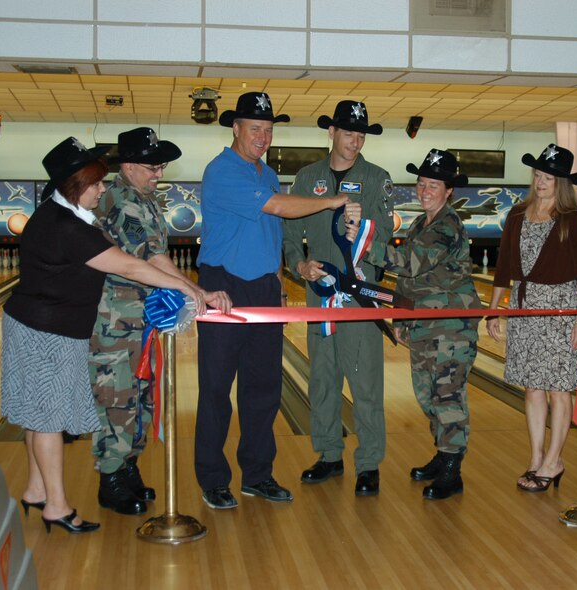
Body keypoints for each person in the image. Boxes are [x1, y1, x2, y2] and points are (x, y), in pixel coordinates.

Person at [2, 137, 228, 534]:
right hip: (57, 328)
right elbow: (135, 265)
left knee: (42, 415)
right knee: (64, 413)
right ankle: (67, 501)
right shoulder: (74, 224)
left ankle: (40, 490)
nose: (101, 190)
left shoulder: (59, 216)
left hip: (44, 324)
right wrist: (193, 291)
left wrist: (188, 289)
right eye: (95, 183)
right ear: (76, 184)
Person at [195, 92, 356, 509]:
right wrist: (332, 200)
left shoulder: (266, 173)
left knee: (263, 387)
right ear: (235, 128)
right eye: (255, 129)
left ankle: (257, 475)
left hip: (264, 287)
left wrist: (279, 278)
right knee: (216, 389)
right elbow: (278, 208)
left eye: (268, 130)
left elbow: (268, 232)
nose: (262, 136)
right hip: (223, 286)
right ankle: (213, 479)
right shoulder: (222, 171)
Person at [348, 149, 481, 500]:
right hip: (424, 324)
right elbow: (410, 283)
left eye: (433, 185)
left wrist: (365, 244)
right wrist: (401, 316)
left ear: (448, 190)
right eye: (421, 183)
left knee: (447, 395)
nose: (424, 190)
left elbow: (410, 264)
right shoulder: (423, 223)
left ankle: (453, 469)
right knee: (427, 396)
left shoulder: (447, 224)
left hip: (451, 327)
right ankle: (443, 452)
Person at [283, 100, 394, 497]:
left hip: (360, 299)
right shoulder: (306, 177)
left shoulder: (377, 178)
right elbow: (291, 237)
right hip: (319, 297)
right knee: (323, 380)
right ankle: (329, 454)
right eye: (348, 132)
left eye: (361, 133)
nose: (356, 140)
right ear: (331, 132)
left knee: (365, 384)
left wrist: (362, 238)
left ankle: (368, 464)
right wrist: (300, 267)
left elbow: (383, 242)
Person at [89, 127, 191, 515]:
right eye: (152, 166)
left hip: (140, 319)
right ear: (128, 165)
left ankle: (127, 468)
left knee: (139, 398)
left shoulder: (144, 198)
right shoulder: (123, 200)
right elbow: (151, 259)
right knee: (116, 399)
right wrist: (194, 290)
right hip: (116, 322)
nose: (159, 173)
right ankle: (110, 480)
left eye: (161, 166)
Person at [487, 144, 577, 493]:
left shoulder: (572, 218)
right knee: (532, 387)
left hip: (562, 310)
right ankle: (536, 458)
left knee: (559, 389)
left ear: (561, 182)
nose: (541, 181)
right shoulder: (518, 214)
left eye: (549, 177)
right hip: (524, 305)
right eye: (538, 175)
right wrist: (494, 309)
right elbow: (503, 266)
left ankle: (554, 461)